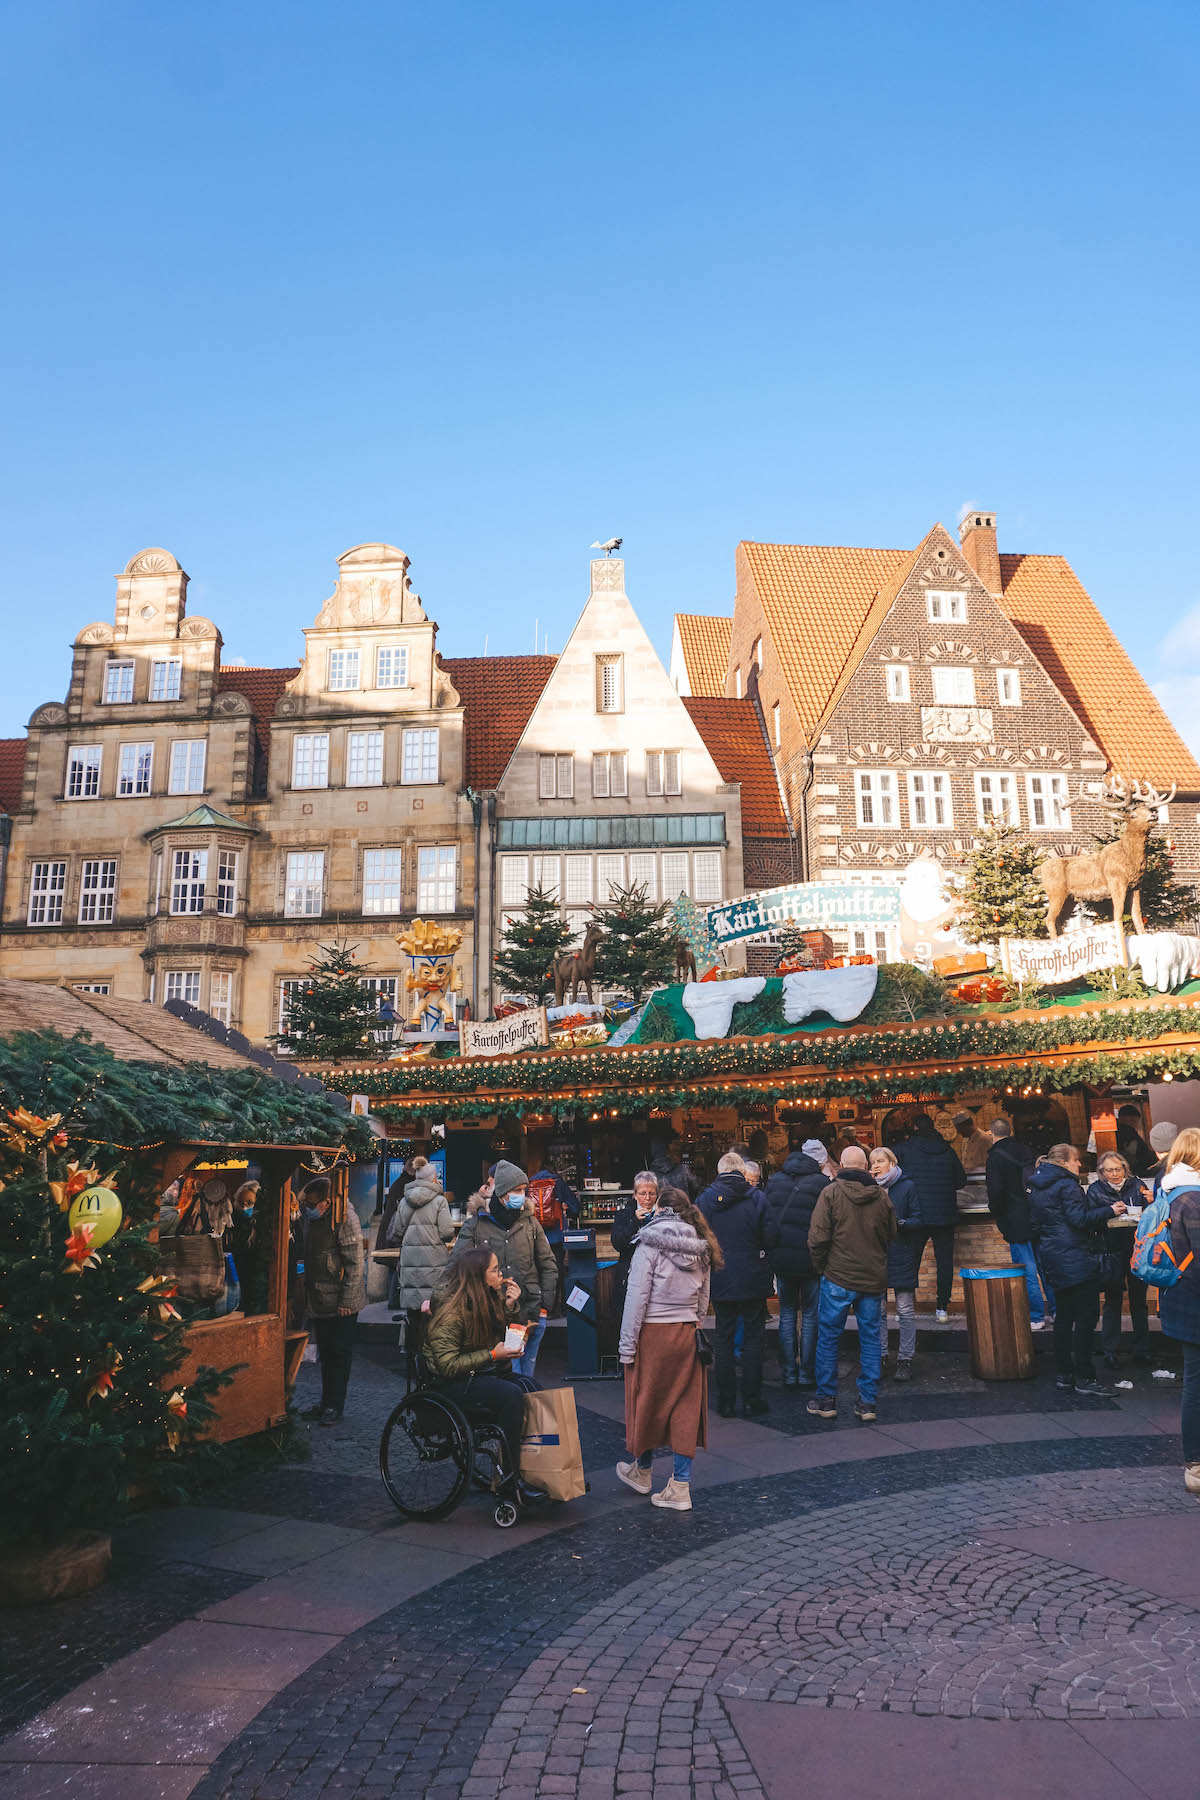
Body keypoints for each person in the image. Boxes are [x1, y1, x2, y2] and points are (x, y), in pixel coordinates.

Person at [617, 1187, 719, 1512]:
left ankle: (643, 1470)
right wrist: (694, 1323)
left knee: (646, 1401)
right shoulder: (701, 1247)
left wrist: (627, 1346)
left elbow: (636, 1300)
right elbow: (704, 1299)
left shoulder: (648, 1244)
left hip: (652, 1334)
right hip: (687, 1333)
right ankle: (680, 1485)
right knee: (684, 1408)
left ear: (659, 1210)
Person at [424, 1247, 547, 1506]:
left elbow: (499, 1331)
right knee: (511, 1396)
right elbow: (446, 1364)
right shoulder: (452, 1310)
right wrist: (492, 1355)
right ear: (479, 1276)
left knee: (531, 1387)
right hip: (451, 1383)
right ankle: (509, 1482)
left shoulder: (487, 1298)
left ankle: (538, 1470)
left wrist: (510, 1307)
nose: (501, 1274)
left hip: (479, 1373)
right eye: (495, 1270)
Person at [1028, 1144, 1127, 1396]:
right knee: (1086, 1317)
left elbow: (1037, 1223)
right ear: (1064, 1162)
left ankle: (1065, 1374)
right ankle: (1085, 1377)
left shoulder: (1035, 1185)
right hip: (1076, 1257)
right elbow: (1079, 1219)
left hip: (1053, 1256)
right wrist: (1108, 1211)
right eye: (1076, 1160)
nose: (1079, 1164)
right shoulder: (1067, 1184)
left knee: (1063, 1318)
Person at [807, 1147, 896, 1423]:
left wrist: (822, 1268)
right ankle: (868, 1403)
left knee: (829, 1339)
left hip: (837, 1277)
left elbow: (817, 1238)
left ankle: (826, 1400)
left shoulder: (830, 1193)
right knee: (870, 1340)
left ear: (842, 1164)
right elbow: (892, 1233)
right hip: (871, 1278)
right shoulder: (881, 1196)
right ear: (866, 1166)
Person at [449, 1160, 557, 1380]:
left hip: (530, 1313)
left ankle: (527, 1413)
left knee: (526, 1377)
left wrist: (545, 1305)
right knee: (509, 1378)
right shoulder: (477, 1224)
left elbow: (548, 1263)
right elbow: (455, 1265)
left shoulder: (530, 1223)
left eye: (524, 1190)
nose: (522, 1195)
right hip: (492, 1315)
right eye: (517, 1190)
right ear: (502, 1193)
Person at [697, 1151, 779, 1417]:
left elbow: (697, 1238)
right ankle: (753, 1399)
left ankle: (726, 1400)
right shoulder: (756, 1197)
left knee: (723, 1337)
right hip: (753, 1275)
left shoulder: (705, 1199)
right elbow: (771, 1236)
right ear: (742, 1172)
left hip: (720, 1275)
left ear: (719, 1170)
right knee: (753, 1339)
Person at [299, 1177, 365, 1425]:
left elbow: (355, 1262)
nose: (308, 1208)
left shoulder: (345, 1218)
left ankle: (334, 1405)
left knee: (338, 1354)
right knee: (327, 1354)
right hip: (320, 1297)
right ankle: (326, 1402)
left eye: (311, 1203)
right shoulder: (316, 1218)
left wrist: (346, 1300)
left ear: (326, 1202)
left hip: (340, 1301)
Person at [1155, 1128, 1200, 1495]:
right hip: (1196, 1300)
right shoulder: (1195, 1199)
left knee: (1193, 1381)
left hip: (1179, 1299)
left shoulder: (1168, 1189)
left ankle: (1195, 1466)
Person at [763, 1145, 827, 1387]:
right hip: (811, 1258)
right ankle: (807, 1372)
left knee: (787, 1313)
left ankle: (789, 1373)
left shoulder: (774, 1181)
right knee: (811, 1314)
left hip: (782, 1259)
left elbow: (767, 1218)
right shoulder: (821, 1183)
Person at [893, 1112, 966, 1321]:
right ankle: (942, 1308)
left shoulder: (903, 1149)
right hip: (944, 1214)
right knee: (944, 1263)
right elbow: (961, 1180)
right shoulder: (947, 1149)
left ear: (915, 1128)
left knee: (910, 1262)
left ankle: (905, 1308)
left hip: (916, 1215)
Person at [986, 1117, 1052, 1330]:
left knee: (1027, 1269)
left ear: (991, 1134)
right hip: (1037, 1213)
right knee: (1045, 1267)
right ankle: (1057, 1310)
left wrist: (997, 1213)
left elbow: (995, 1191)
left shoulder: (995, 1156)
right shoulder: (1026, 1150)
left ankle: (1035, 1317)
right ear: (1010, 1130)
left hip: (1014, 1218)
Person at [387, 1161, 456, 1366]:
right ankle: (432, 1366)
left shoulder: (404, 1201)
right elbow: (446, 1232)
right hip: (435, 1265)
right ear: (434, 1179)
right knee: (434, 1316)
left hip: (410, 1264)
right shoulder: (439, 1202)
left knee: (413, 1318)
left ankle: (412, 1364)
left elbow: (397, 1232)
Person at [1088, 1150, 1151, 1366]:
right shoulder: (1095, 1190)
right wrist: (1109, 1211)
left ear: (1125, 1168)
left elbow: (1152, 1214)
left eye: (1118, 1169)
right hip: (1110, 1251)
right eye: (1109, 1170)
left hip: (1137, 1249)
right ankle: (1110, 1352)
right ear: (1102, 1172)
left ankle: (1142, 1350)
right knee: (1112, 1302)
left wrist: (1150, 1204)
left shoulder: (1137, 1184)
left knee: (1139, 1302)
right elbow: (1090, 1220)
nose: (1115, 1174)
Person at [869, 1147, 922, 1380]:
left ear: (892, 1162)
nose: (876, 1166)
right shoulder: (869, 1189)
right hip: (877, 1256)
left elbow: (919, 1219)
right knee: (878, 1311)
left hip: (901, 1254)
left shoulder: (907, 1186)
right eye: (872, 1162)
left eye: (880, 1161)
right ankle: (880, 1355)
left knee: (905, 1310)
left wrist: (900, 1222)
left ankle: (905, 1359)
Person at [528, 1156, 580, 1311]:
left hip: (536, 1236)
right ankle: (558, 1308)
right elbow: (576, 1208)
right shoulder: (558, 1183)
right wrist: (567, 1208)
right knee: (557, 1270)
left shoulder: (529, 1185)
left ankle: (541, 1309)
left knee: (538, 1271)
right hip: (556, 1236)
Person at [610, 1171, 659, 1309]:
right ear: (635, 1195)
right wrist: (634, 1222)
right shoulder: (624, 1215)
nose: (648, 1198)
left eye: (652, 1193)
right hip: (630, 1277)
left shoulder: (664, 1213)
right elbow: (617, 1243)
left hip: (656, 1277)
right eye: (643, 1193)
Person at [1117, 1105, 1158, 1179]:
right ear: (1131, 1120)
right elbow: (1142, 1152)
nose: (1136, 1124)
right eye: (1135, 1121)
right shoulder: (1128, 1131)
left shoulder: (1118, 1131)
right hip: (1133, 1170)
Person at [953, 1110, 993, 1175]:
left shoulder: (985, 1139)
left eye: (959, 1128)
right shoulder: (965, 1140)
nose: (958, 1132)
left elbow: (992, 1165)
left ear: (966, 1126)